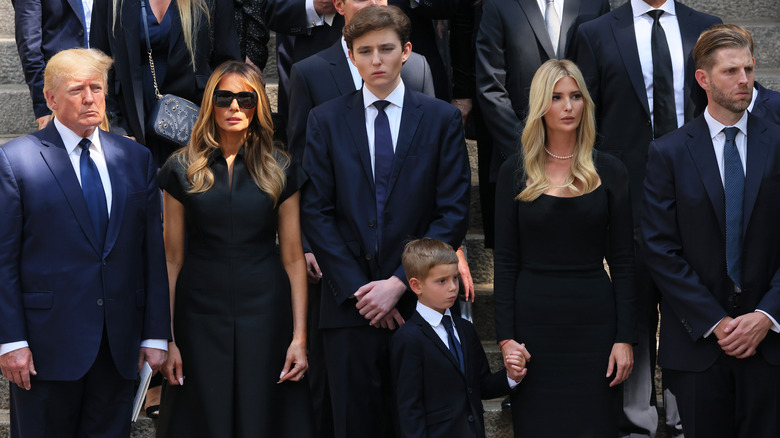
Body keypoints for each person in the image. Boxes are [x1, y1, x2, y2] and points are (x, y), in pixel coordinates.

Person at [301, 5, 471, 437]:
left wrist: (398, 283)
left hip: (419, 306)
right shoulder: (324, 119)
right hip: (348, 307)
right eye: (365, 51)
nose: (376, 60)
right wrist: (363, 292)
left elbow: (451, 211)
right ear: (351, 55)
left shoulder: (440, 118)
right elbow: (316, 211)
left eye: (386, 49)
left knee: (420, 424)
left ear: (407, 52)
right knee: (353, 424)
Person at [0, 47, 170, 438]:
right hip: (44, 350)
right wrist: (10, 341)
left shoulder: (135, 158)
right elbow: (4, 260)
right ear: (51, 98)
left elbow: (151, 253)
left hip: (117, 348)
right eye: (77, 90)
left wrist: (156, 332)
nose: (90, 98)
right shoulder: (15, 161)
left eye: (97, 87)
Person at [573, 2, 721, 435]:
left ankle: (681, 413)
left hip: (696, 190)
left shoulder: (706, 27)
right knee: (633, 302)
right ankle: (639, 419)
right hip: (626, 189)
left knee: (688, 296)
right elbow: (588, 117)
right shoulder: (596, 31)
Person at [154, 60, 313, 437]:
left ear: (259, 106)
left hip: (266, 309)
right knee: (201, 416)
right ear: (211, 103)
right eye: (225, 98)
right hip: (198, 313)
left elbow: (292, 258)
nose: (235, 107)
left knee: (264, 415)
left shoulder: (280, 167)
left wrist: (300, 339)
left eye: (246, 98)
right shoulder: (181, 168)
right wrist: (168, 337)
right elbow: (172, 258)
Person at [642, 25, 780, 438]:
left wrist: (766, 314)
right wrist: (716, 321)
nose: (744, 80)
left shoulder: (777, 143)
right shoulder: (667, 152)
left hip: (771, 342)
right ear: (703, 79)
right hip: (700, 344)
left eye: (749, 69)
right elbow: (659, 248)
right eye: (731, 71)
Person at [493, 59, 636, 437]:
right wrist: (506, 338)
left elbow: (623, 261)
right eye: (556, 97)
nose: (568, 106)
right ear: (541, 105)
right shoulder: (514, 171)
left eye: (575, 96)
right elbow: (505, 261)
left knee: (596, 424)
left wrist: (625, 338)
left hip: (595, 322)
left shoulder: (611, 170)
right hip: (534, 324)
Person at [475, 0, 609, 254]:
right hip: (518, 160)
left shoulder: (595, 3)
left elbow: (600, 81)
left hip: (580, 163)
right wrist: (526, 152)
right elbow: (490, 87)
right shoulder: (498, 5)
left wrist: (583, 149)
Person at [391, 238, 528, 438]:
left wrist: (511, 376)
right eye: (442, 281)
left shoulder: (465, 329)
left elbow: (480, 386)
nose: (453, 287)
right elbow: (408, 410)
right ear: (416, 285)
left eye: (455, 278)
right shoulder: (408, 338)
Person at [90, 0, 241, 169]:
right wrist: (118, 130)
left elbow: (227, 65)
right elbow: (100, 66)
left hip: (193, 127)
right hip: (132, 126)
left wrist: (215, 130)